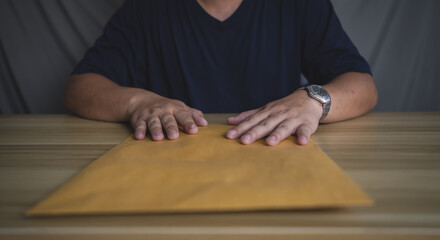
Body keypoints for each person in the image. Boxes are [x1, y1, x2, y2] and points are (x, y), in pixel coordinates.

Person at [63, 0, 378, 146]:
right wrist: (137, 102)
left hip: (276, 160)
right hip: (170, 165)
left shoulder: (299, 5)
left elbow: (363, 85)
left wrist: (313, 100)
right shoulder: (145, 9)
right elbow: (80, 88)